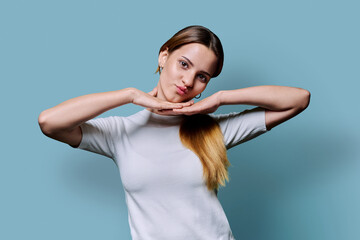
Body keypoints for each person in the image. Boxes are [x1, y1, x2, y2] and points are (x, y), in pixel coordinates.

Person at [38, 25, 310, 240]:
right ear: (163, 56)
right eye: (184, 64)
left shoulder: (214, 129)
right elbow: (49, 122)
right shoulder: (120, 132)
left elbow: (299, 99)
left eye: (202, 76)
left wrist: (222, 98)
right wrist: (131, 95)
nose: (188, 81)